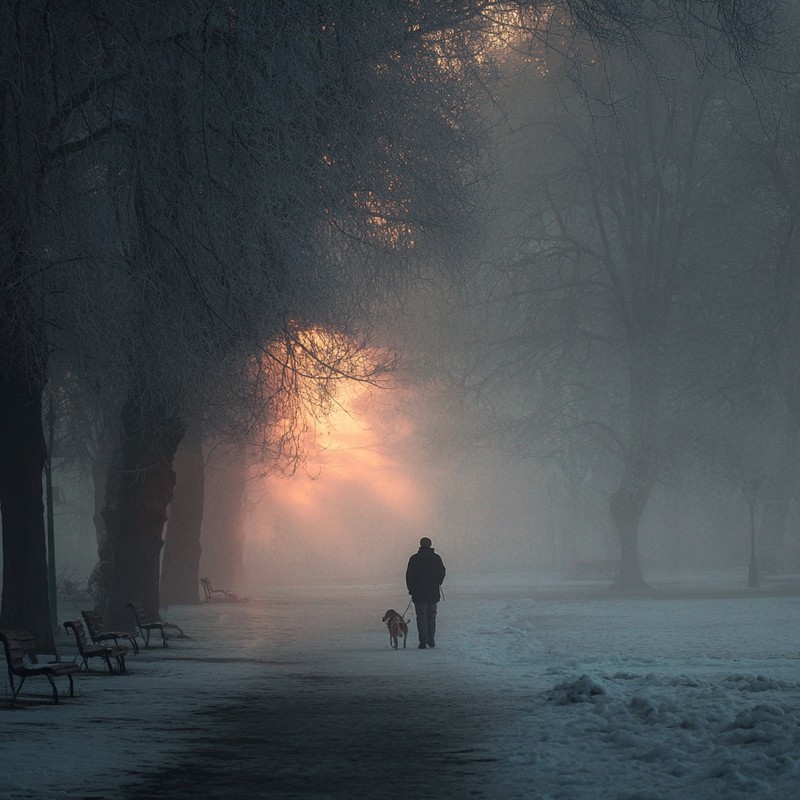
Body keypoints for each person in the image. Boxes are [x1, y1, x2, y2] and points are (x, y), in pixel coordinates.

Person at [405, 536, 446, 649]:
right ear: (430, 544)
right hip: (432, 592)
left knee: (421, 616)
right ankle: (431, 640)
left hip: (418, 593)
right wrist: (438, 582)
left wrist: (411, 590)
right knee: (431, 616)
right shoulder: (436, 558)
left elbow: (409, 576)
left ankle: (423, 640)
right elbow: (442, 572)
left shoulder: (414, 558)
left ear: (421, 545)